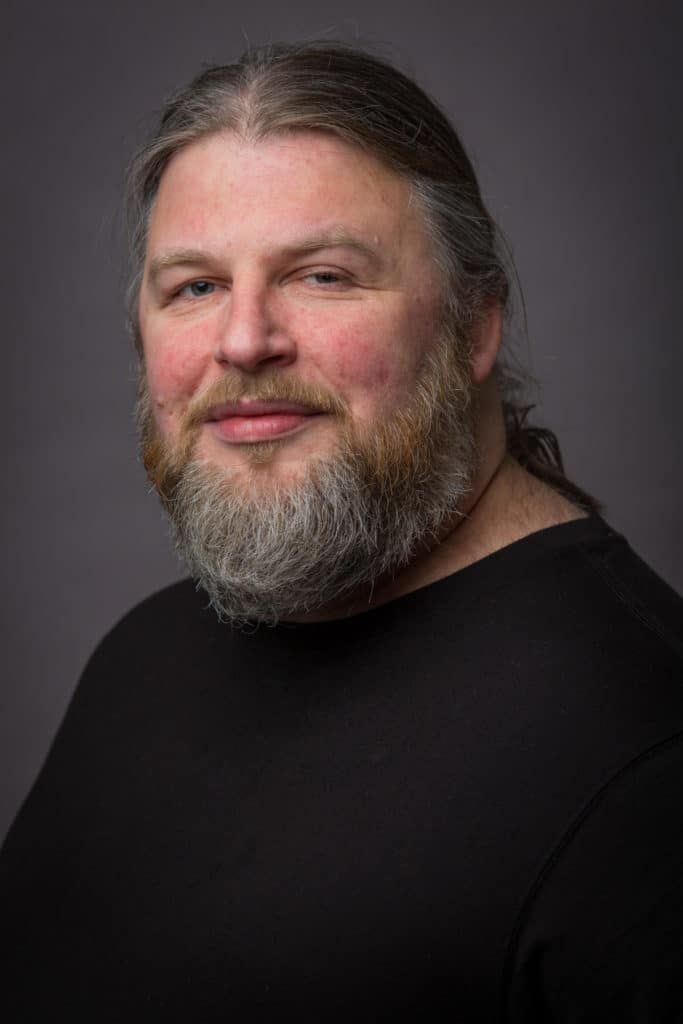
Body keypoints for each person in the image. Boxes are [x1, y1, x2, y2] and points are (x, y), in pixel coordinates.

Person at [2, 41, 682, 1022]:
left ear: (474, 321)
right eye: (192, 286)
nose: (243, 340)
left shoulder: (642, 761)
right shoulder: (144, 654)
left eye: (320, 275)